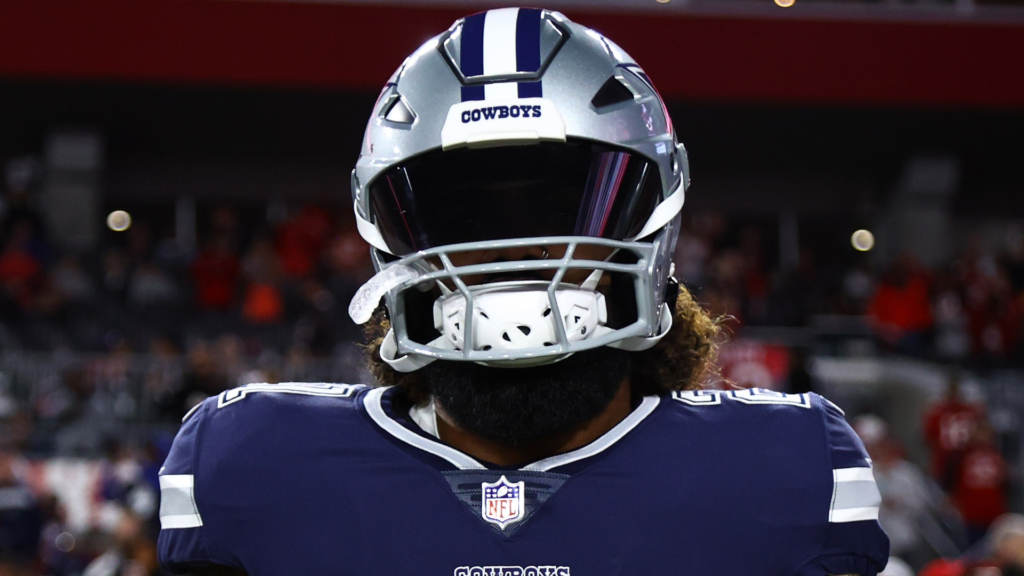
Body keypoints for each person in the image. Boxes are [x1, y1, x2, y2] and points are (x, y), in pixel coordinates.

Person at [156, 8, 889, 575]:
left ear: (654, 213)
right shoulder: (251, 464)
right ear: (386, 230)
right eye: (464, 215)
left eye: (562, 209)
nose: (511, 258)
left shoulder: (782, 472)